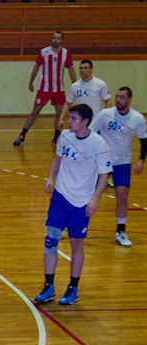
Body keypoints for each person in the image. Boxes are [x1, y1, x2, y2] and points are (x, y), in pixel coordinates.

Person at [34, 104, 111, 306]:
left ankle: (73, 287)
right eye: (69, 118)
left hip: (81, 202)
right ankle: (48, 286)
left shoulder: (98, 144)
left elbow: (104, 175)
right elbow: (57, 159)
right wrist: (50, 177)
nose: (69, 122)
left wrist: (94, 199)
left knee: (77, 244)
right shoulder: (65, 137)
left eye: (74, 119)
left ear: (85, 121)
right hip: (60, 197)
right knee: (50, 241)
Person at [90, 87, 147, 247]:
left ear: (129, 99)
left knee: (122, 197)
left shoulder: (137, 118)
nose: (118, 100)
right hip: (102, 161)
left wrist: (141, 160)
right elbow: (90, 133)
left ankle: (120, 232)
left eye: (122, 97)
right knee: (88, 194)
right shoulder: (104, 114)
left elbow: (144, 140)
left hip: (122, 162)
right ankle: (71, 225)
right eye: (116, 96)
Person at [13, 31, 77, 147]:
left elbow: (71, 69)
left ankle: (56, 137)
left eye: (58, 38)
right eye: (54, 38)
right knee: (35, 112)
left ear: (62, 40)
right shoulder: (44, 52)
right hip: (44, 89)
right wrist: (31, 82)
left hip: (58, 90)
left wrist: (76, 85)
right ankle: (22, 135)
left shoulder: (66, 53)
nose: (55, 40)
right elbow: (36, 67)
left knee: (60, 114)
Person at [58, 59, 110, 129]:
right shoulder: (75, 86)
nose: (83, 70)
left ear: (91, 69)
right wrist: (61, 118)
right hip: (80, 122)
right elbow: (68, 103)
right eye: (81, 68)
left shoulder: (100, 84)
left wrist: (107, 117)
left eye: (85, 68)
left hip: (96, 121)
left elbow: (107, 100)